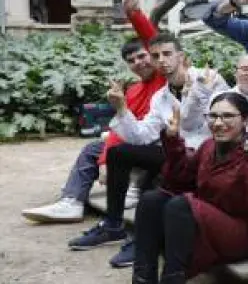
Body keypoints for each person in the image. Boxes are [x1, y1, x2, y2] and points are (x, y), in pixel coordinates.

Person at [105, 92, 248, 284]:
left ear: (246, 120)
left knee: (180, 204)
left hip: (241, 233)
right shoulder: (209, 146)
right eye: (213, 116)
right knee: (152, 199)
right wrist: (173, 141)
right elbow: (179, 180)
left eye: (228, 116)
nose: (218, 123)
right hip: (205, 221)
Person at [67, 34, 228, 265]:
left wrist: (198, 93)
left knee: (157, 177)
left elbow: (194, 124)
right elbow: (141, 136)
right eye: (156, 56)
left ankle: (145, 238)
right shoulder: (160, 97)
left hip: (207, 154)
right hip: (176, 152)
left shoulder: (208, 80)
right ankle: (113, 225)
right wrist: (122, 109)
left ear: (181, 56)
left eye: (167, 54)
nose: (161, 60)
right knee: (118, 153)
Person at [21, 37, 164, 223]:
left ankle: (129, 195)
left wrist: (134, 17)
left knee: (127, 150)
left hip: (155, 145)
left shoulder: (163, 79)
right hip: (134, 139)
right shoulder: (132, 90)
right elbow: (120, 127)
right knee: (93, 149)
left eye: (142, 56)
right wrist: (104, 161)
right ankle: (71, 201)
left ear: (153, 54)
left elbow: (150, 34)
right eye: (131, 60)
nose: (137, 62)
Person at [183, 53, 248, 130]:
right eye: (244, 69)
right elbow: (190, 126)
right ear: (236, 73)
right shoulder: (219, 98)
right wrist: (199, 94)